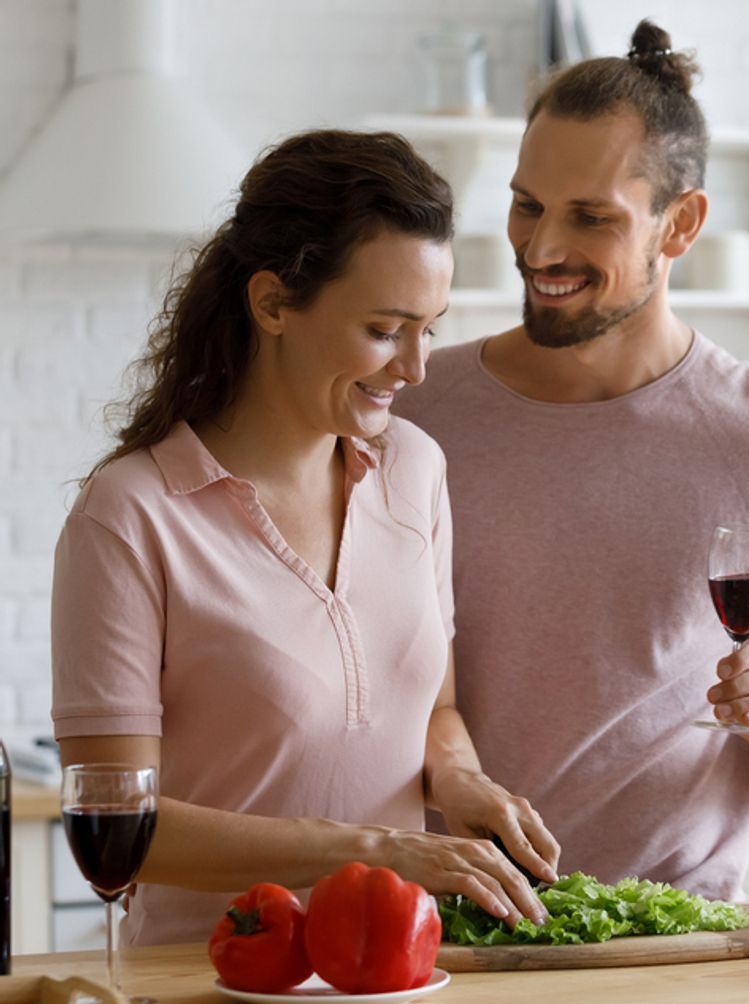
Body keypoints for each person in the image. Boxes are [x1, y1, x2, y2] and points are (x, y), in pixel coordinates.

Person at [394, 20, 749, 902]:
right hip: (436, 928)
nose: (540, 251)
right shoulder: (415, 415)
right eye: (527, 204)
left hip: (668, 934)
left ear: (681, 224)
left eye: (592, 218)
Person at [50, 129, 559, 946]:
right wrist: (372, 848)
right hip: (214, 978)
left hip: (396, 966)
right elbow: (119, 824)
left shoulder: (415, 470)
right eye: (386, 329)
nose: (415, 369)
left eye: (430, 328)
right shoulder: (131, 515)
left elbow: (435, 704)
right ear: (274, 303)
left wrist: (459, 777)